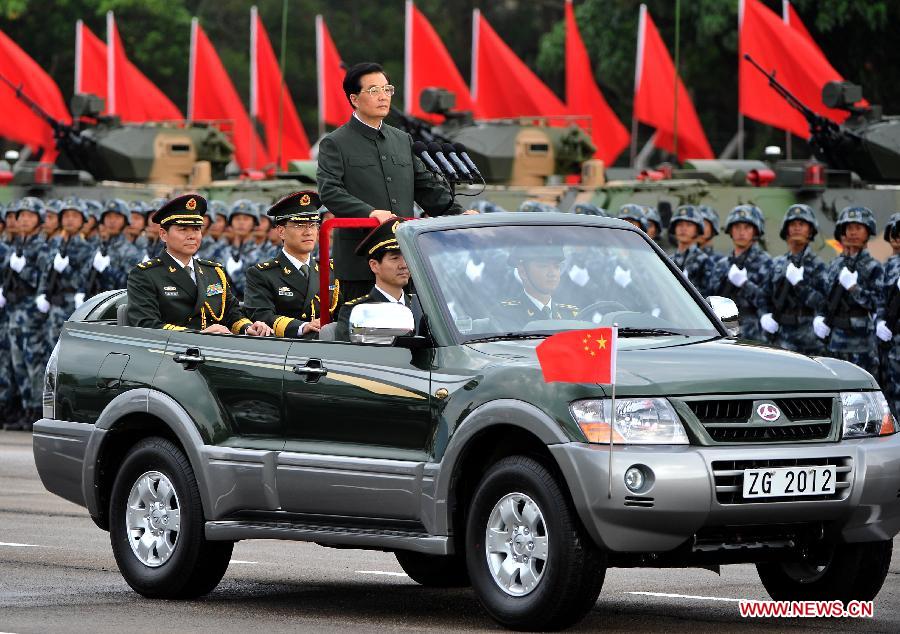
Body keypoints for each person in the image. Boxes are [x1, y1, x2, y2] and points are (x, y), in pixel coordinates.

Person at [316, 62, 472, 312]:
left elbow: (424, 186)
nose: (383, 96)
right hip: (361, 263)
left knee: (409, 332)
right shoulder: (336, 143)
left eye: (387, 89)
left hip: (404, 259)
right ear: (354, 99)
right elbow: (330, 191)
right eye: (374, 90)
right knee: (361, 333)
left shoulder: (402, 140)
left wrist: (458, 214)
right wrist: (369, 212)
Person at [127, 194, 271, 336]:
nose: (192, 235)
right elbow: (145, 325)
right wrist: (198, 334)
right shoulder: (145, 275)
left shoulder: (214, 272)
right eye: (183, 229)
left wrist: (248, 327)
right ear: (163, 234)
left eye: (196, 229)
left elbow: (232, 313)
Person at [244, 191, 338, 338]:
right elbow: (261, 314)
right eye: (300, 225)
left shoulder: (330, 269)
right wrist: (302, 326)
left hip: (328, 344)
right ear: (281, 231)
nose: (308, 232)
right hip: (287, 349)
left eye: (313, 225)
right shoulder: (262, 274)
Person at [813, 206, 883, 378]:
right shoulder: (835, 265)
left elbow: (878, 304)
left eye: (858, 228)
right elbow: (823, 297)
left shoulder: (874, 267)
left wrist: (854, 288)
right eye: (849, 228)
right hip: (835, 340)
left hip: (861, 342)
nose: (853, 233)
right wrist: (819, 317)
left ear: (868, 232)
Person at [2, 197, 48, 430]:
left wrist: (25, 271)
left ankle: (36, 409)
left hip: (32, 313)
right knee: (17, 362)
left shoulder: (42, 247)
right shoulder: (16, 246)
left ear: (39, 220)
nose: (23, 220)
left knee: (33, 362)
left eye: (29, 216)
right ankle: (24, 408)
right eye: (21, 216)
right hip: (14, 311)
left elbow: (42, 280)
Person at [336, 216, 421, 340]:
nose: (404, 265)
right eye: (395, 258)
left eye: (407, 256)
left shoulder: (419, 306)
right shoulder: (355, 311)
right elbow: (350, 356)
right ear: (374, 265)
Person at [758, 205, 827, 355]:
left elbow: (823, 302)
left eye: (801, 224)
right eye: (793, 225)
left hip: (808, 339)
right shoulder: (777, 264)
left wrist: (800, 285)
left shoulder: (818, 265)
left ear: (810, 230)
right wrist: (764, 315)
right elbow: (763, 296)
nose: (797, 228)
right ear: (786, 230)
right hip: (780, 337)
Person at [35, 197, 94, 352]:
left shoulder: (87, 249)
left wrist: (65, 270)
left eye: (75, 216)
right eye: (66, 216)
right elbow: (45, 273)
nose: (69, 220)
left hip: (71, 309)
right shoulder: (54, 244)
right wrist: (41, 294)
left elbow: (82, 280)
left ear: (83, 220)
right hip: (51, 307)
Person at [707, 205, 773, 342]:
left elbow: (768, 300)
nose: (741, 232)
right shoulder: (721, 265)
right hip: (723, 330)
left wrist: (745, 284)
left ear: (755, 231)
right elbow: (710, 299)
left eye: (747, 228)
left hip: (753, 332)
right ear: (730, 230)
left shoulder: (765, 262)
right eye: (737, 227)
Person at [495, 242, 579, 330]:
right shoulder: (506, 314)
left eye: (556, 266)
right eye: (543, 266)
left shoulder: (570, 314)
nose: (552, 273)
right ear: (522, 272)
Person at [85, 199, 141, 296]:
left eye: (117, 217)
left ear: (125, 221)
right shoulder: (98, 246)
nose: (112, 221)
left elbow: (131, 286)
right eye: (108, 217)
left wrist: (108, 271)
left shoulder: (131, 252)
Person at [877, 213, 900, 416]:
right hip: (890, 343)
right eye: (893, 231)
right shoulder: (888, 266)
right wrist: (879, 322)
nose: (896, 235)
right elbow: (880, 300)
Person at [222, 199, 262, 299]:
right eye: (237, 218)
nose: (241, 223)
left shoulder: (261, 254)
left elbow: (257, 292)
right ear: (231, 222)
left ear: (254, 223)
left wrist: (235, 274)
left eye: (246, 219)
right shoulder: (223, 252)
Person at [667, 205, 710, 293]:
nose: (683, 229)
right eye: (679, 224)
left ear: (697, 229)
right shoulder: (668, 260)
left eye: (689, 225)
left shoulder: (704, 261)